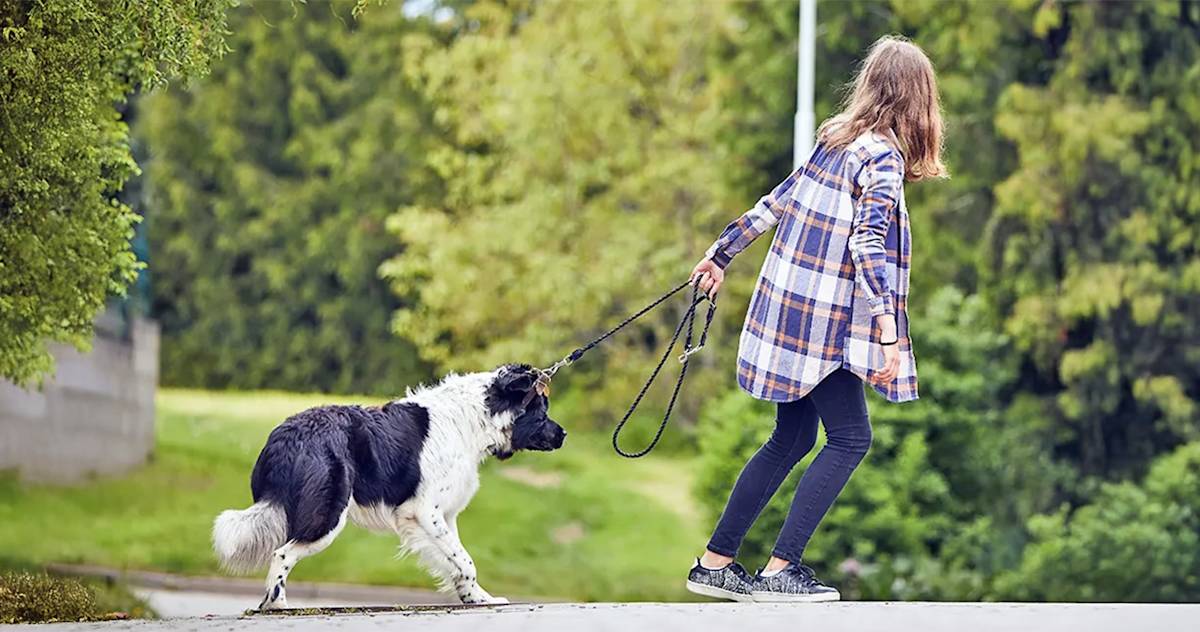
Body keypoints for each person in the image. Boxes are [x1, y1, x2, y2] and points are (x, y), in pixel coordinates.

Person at [685, 35, 946, 603]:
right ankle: (781, 570)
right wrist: (888, 330)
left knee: (793, 434)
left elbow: (775, 203)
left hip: (790, 312)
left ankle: (714, 562)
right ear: (917, 100)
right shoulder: (880, 156)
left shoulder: (835, 139)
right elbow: (868, 244)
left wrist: (721, 252)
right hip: (829, 322)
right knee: (851, 438)